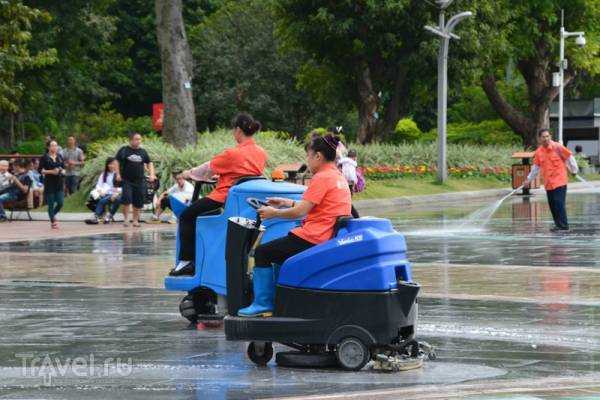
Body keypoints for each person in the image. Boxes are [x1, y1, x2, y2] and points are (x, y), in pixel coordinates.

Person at [238, 134, 352, 317]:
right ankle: (280, 301)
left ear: (318, 156)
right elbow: (314, 206)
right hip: (325, 235)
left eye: (308, 155)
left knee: (262, 252)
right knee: (278, 252)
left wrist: (274, 213)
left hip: (313, 237)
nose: (307, 160)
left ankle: (263, 303)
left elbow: (300, 212)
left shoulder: (322, 178)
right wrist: (285, 202)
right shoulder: (337, 177)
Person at [170, 113, 267, 277]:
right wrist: (222, 176)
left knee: (187, 216)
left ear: (238, 130)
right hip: (243, 200)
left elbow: (205, 170)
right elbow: (242, 173)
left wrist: (187, 173)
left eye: (233, 130)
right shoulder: (261, 152)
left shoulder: (232, 154)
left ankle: (187, 262)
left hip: (223, 198)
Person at [524, 129, 578, 232]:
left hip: (560, 180)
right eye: (543, 137)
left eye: (547, 136)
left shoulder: (558, 147)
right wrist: (528, 180)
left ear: (550, 136)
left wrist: (574, 170)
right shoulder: (539, 152)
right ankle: (558, 225)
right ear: (539, 139)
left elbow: (570, 157)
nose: (546, 139)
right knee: (552, 205)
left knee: (559, 203)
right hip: (548, 183)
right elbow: (535, 168)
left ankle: (563, 226)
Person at [116, 132, 156, 227]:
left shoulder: (143, 151)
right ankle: (126, 219)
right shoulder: (124, 150)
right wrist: (117, 174)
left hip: (139, 180)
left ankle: (135, 220)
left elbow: (149, 163)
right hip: (126, 180)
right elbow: (116, 161)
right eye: (137, 139)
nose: (139, 141)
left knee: (138, 201)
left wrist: (152, 174)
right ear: (131, 140)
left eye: (140, 139)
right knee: (127, 199)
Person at [86, 157, 122, 225]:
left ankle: (107, 216)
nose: (111, 166)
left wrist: (115, 193)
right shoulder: (104, 174)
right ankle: (99, 216)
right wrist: (100, 191)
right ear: (107, 165)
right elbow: (98, 185)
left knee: (116, 199)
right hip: (104, 193)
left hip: (115, 194)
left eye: (113, 164)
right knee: (93, 200)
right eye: (110, 164)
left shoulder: (118, 175)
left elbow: (122, 187)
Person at [39, 140, 65, 229]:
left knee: (60, 202)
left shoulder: (59, 156)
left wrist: (62, 171)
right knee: (51, 203)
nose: (54, 147)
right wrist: (51, 172)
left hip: (59, 182)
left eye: (56, 145)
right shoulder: (44, 157)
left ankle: (52, 215)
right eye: (52, 145)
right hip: (49, 182)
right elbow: (40, 170)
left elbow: (63, 167)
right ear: (48, 147)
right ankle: (53, 221)